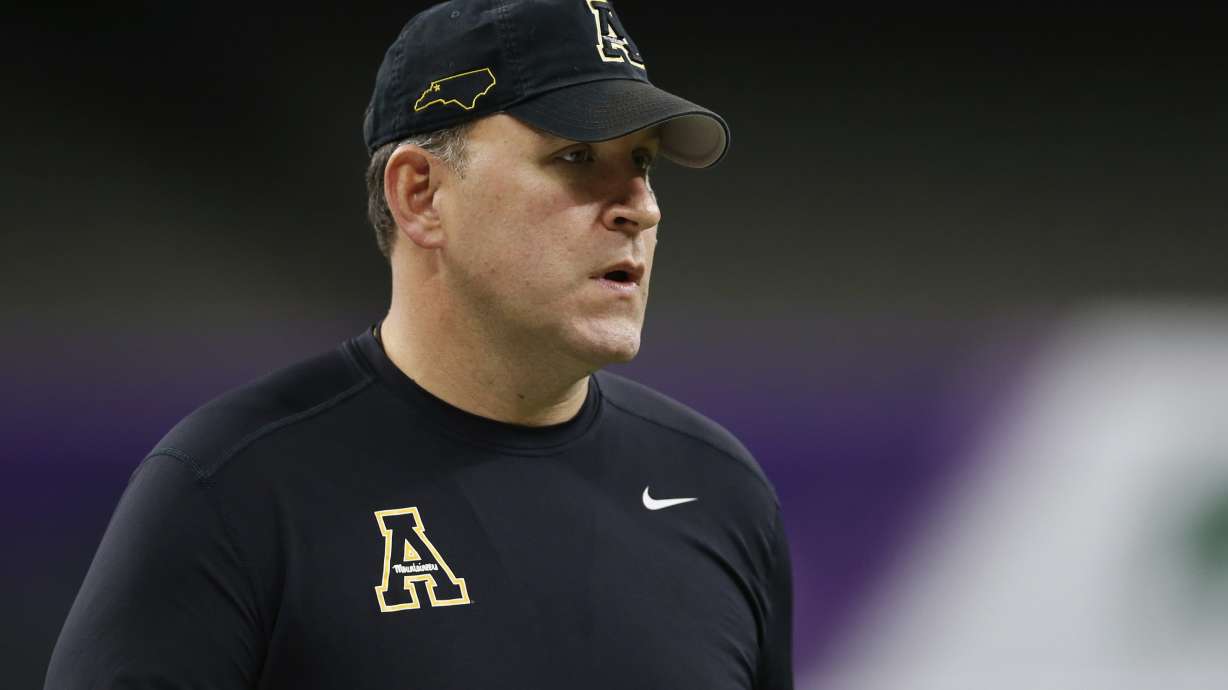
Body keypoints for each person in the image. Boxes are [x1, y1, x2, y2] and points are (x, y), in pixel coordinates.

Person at [45, 0, 793, 687]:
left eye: (641, 162)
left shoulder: (720, 493)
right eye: (576, 156)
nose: (642, 208)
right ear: (420, 195)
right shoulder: (230, 492)